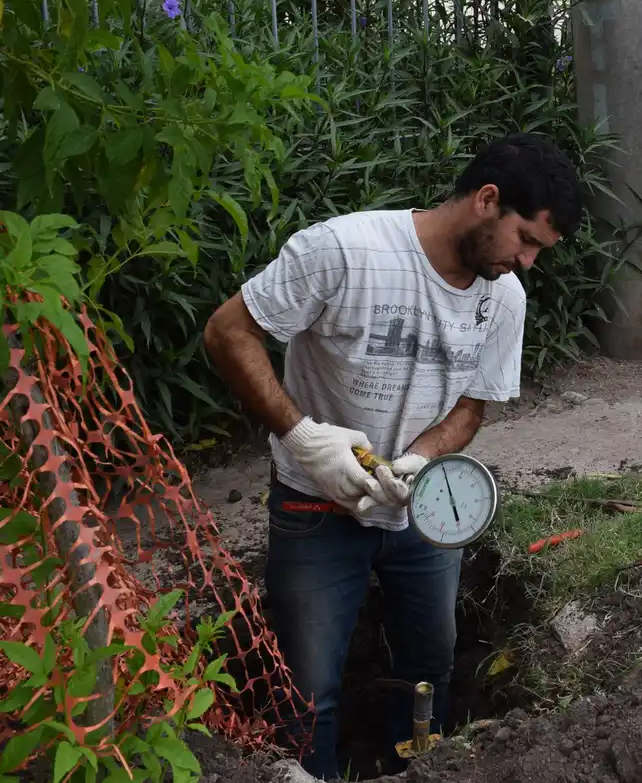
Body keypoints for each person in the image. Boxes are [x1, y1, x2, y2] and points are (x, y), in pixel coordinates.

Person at [203, 134, 581, 778]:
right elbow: (226, 331)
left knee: (429, 672)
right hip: (314, 505)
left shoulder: (503, 297)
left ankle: (414, 769)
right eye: (527, 240)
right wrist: (304, 439)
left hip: (421, 511)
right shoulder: (345, 251)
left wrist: (419, 457)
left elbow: (469, 407)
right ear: (487, 201)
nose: (527, 262)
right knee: (307, 691)